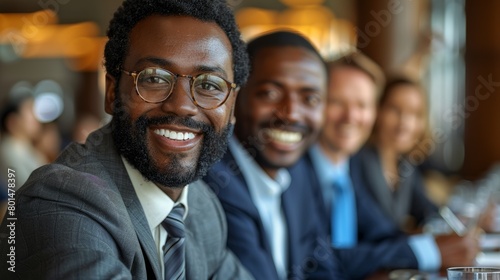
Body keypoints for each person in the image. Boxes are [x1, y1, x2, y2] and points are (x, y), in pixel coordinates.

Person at [0, 0, 254, 279]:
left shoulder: (201, 205)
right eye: (155, 79)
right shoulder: (60, 202)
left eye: (208, 85)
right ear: (112, 93)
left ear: (232, 106)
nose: (182, 105)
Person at [307, 52, 480, 278]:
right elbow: (322, 262)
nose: (351, 116)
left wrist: (443, 242)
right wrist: (428, 250)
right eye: (337, 101)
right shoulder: (307, 170)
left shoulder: (343, 169)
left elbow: (384, 233)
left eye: (362, 104)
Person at [203, 30, 342, 279]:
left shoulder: (300, 172)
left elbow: (322, 268)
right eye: (270, 93)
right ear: (235, 97)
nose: (291, 114)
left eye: (310, 98)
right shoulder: (211, 181)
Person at [357, 78, 438, 232]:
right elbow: (375, 232)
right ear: (378, 110)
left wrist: (468, 220)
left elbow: (428, 212)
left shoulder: (405, 164)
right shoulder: (359, 160)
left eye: (415, 114)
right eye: (394, 109)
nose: (404, 123)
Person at [0, 93, 47, 189]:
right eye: (31, 111)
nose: (36, 118)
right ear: (13, 121)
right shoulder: (9, 151)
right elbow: (23, 189)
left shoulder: (26, 147)